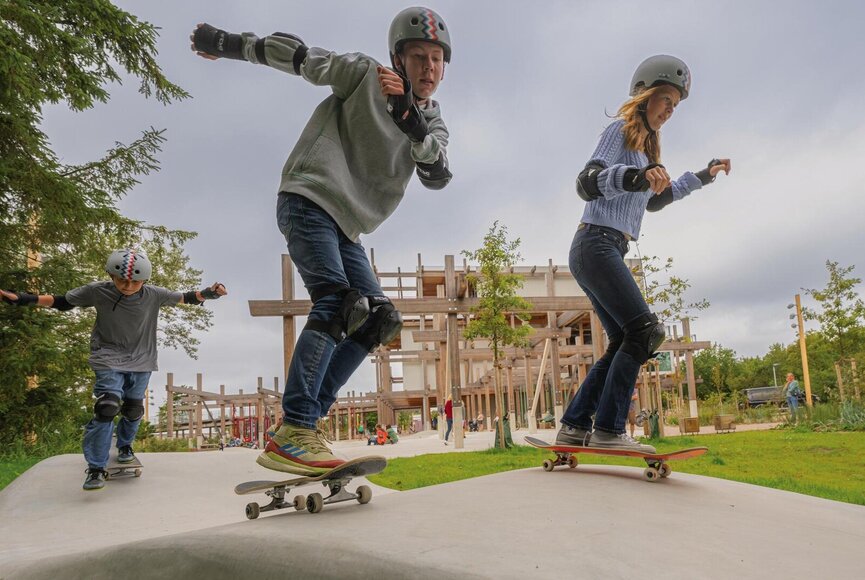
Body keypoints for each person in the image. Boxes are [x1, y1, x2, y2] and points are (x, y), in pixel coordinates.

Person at [190, 7, 453, 476]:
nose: (429, 69)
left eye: (437, 60)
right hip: (309, 197)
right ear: (398, 58)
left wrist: (410, 121)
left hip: (347, 227)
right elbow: (298, 57)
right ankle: (296, 427)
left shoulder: (431, 121)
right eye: (419, 57)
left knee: (380, 319)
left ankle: (305, 424)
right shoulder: (363, 74)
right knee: (336, 302)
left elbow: (438, 175)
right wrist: (227, 43)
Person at [558, 55, 731, 453]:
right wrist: (635, 176)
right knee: (645, 332)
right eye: (666, 100)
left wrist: (703, 176)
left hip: (605, 248)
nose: (670, 110)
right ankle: (609, 429)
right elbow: (587, 182)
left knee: (624, 339)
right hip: (595, 242)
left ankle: (574, 426)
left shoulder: (645, 151)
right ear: (645, 95)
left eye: (675, 106)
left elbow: (656, 199)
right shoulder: (619, 131)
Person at [1, 249, 226, 490]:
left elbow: (187, 297)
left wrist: (210, 293)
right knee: (107, 407)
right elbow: (62, 301)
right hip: (107, 357)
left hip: (142, 360)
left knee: (133, 409)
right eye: (122, 280)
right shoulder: (97, 291)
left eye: (135, 282)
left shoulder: (154, 294)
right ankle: (96, 467)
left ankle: (125, 445)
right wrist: (22, 298)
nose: (128, 286)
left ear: (144, 280)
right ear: (111, 275)